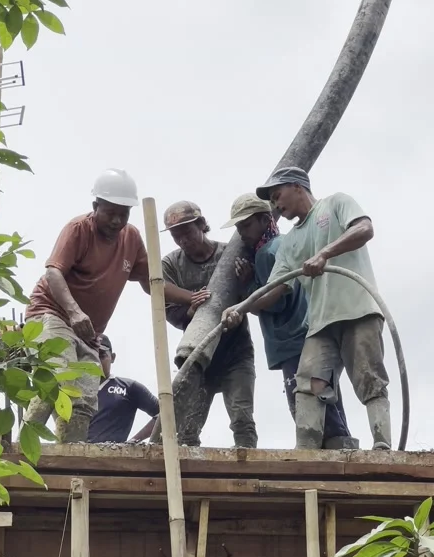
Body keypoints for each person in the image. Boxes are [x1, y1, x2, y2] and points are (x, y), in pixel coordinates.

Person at [222, 167, 390, 451]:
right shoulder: (291, 242)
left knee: (368, 376)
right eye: (273, 201)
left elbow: (364, 228)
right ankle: (307, 451)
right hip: (320, 324)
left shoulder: (336, 203)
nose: (277, 205)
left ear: (297, 187)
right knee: (308, 382)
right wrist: (242, 305)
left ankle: (382, 444)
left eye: (278, 196)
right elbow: (274, 290)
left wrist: (325, 253)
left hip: (357, 311)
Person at [23, 169, 192, 443]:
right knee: (56, 379)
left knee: (85, 400)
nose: (116, 220)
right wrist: (74, 311)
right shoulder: (78, 229)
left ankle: (72, 455)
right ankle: (25, 448)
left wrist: (191, 298)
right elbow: (53, 272)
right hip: (51, 314)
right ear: (95, 207)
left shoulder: (132, 239)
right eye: (110, 212)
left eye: (123, 214)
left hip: (88, 331)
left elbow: (153, 284)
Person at [162, 200, 258, 448]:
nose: (183, 239)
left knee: (242, 419)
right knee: (187, 430)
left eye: (187, 231)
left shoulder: (230, 253)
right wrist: (190, 311)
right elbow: (169, 309)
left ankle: (247, 476)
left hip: (235, 353)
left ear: (202, 225)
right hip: (198, 357)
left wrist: (246, 284)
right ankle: (187, 482)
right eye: (176, 235)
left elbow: (255, 298)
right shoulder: (171, 265)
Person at [87, 335, 159, 443]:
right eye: (92, 356)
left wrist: (135, 440)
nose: (96, 362)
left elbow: (165, 413)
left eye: (101, 355)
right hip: (77, 455)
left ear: (113, 357)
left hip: (112, 456)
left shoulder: (128, 387)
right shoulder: (76, 389)